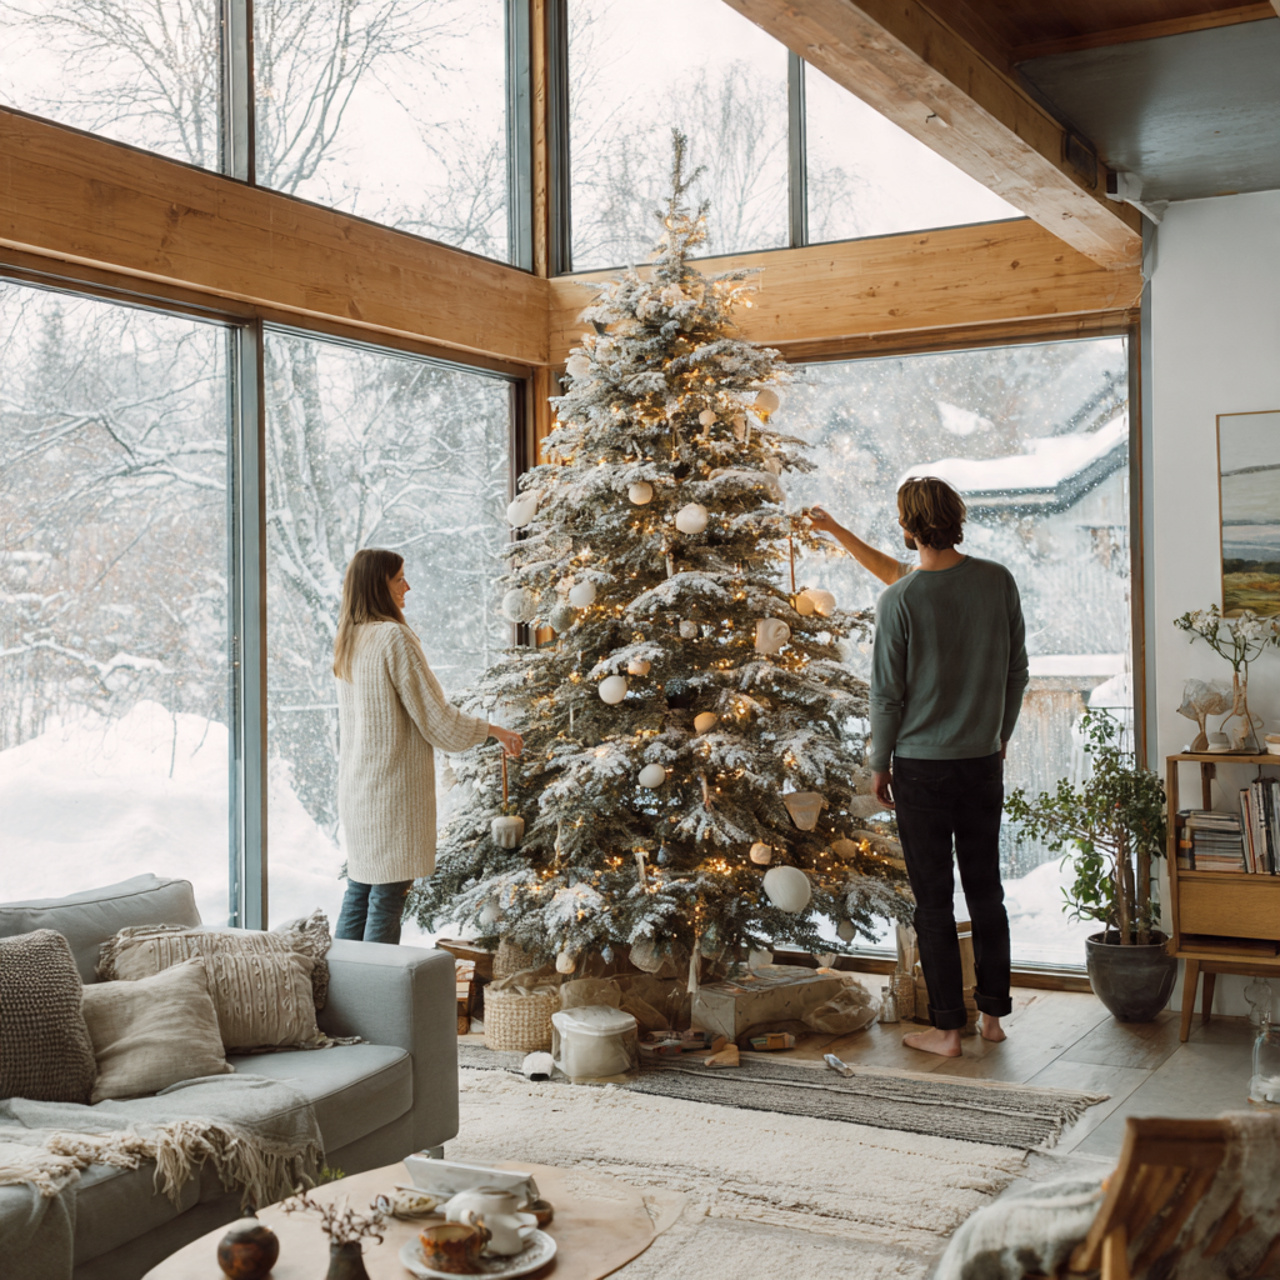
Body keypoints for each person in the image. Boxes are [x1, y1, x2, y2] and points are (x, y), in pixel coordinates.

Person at [868, 477, 1028, 1057]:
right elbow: (1017, 673)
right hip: (983, 761)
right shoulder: (997, 581)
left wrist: (877, 763)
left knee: (933, 900)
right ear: (956, 518)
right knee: (987, 892)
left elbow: (887, 696)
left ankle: (946, 1030)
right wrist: (999, 734)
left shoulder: (901, 599)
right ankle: (992, 1020)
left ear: (907, 528)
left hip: (920, 767)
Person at [332, 548, 522, 944]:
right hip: (391, 793)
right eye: (399, 578)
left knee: (361, 890)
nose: (408, 586)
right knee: (386, 897)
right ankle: (375, 1002)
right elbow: (436, 719)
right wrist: (493, 730)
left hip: (358, 791)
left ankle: (338, 997)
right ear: (378, 585)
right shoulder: (393, 637)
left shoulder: (349, 639)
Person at [806, 505, 912, 587]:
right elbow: (892, 573)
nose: (901, 522)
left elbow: (894, 574)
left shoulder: (920, 581)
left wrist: (836, 529)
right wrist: (835, 528)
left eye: (905, 516)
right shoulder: (919, 577)